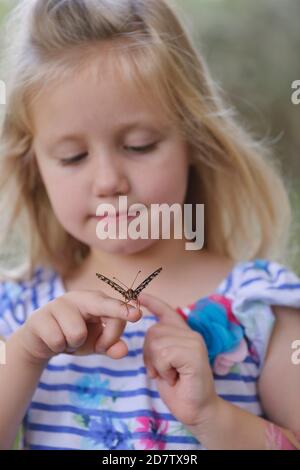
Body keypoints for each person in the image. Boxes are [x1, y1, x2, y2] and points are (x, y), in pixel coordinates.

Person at [0, 0, 299, 450]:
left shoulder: (262, 306)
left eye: (139, 146)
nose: (108, 181)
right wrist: (24, 357)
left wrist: (212, 417)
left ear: (194, 140)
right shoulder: (17, 315)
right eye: (73, 157)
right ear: (34, 168)